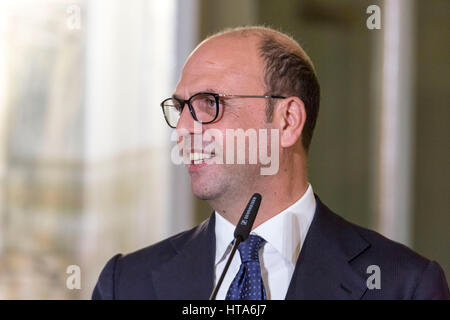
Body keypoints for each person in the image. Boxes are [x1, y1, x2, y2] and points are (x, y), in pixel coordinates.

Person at [92, 26, 449, 300]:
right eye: (181, 108)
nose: (183, 129)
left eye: (208, 103)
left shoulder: (404, 285)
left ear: (288, 120)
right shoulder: (126, 284)